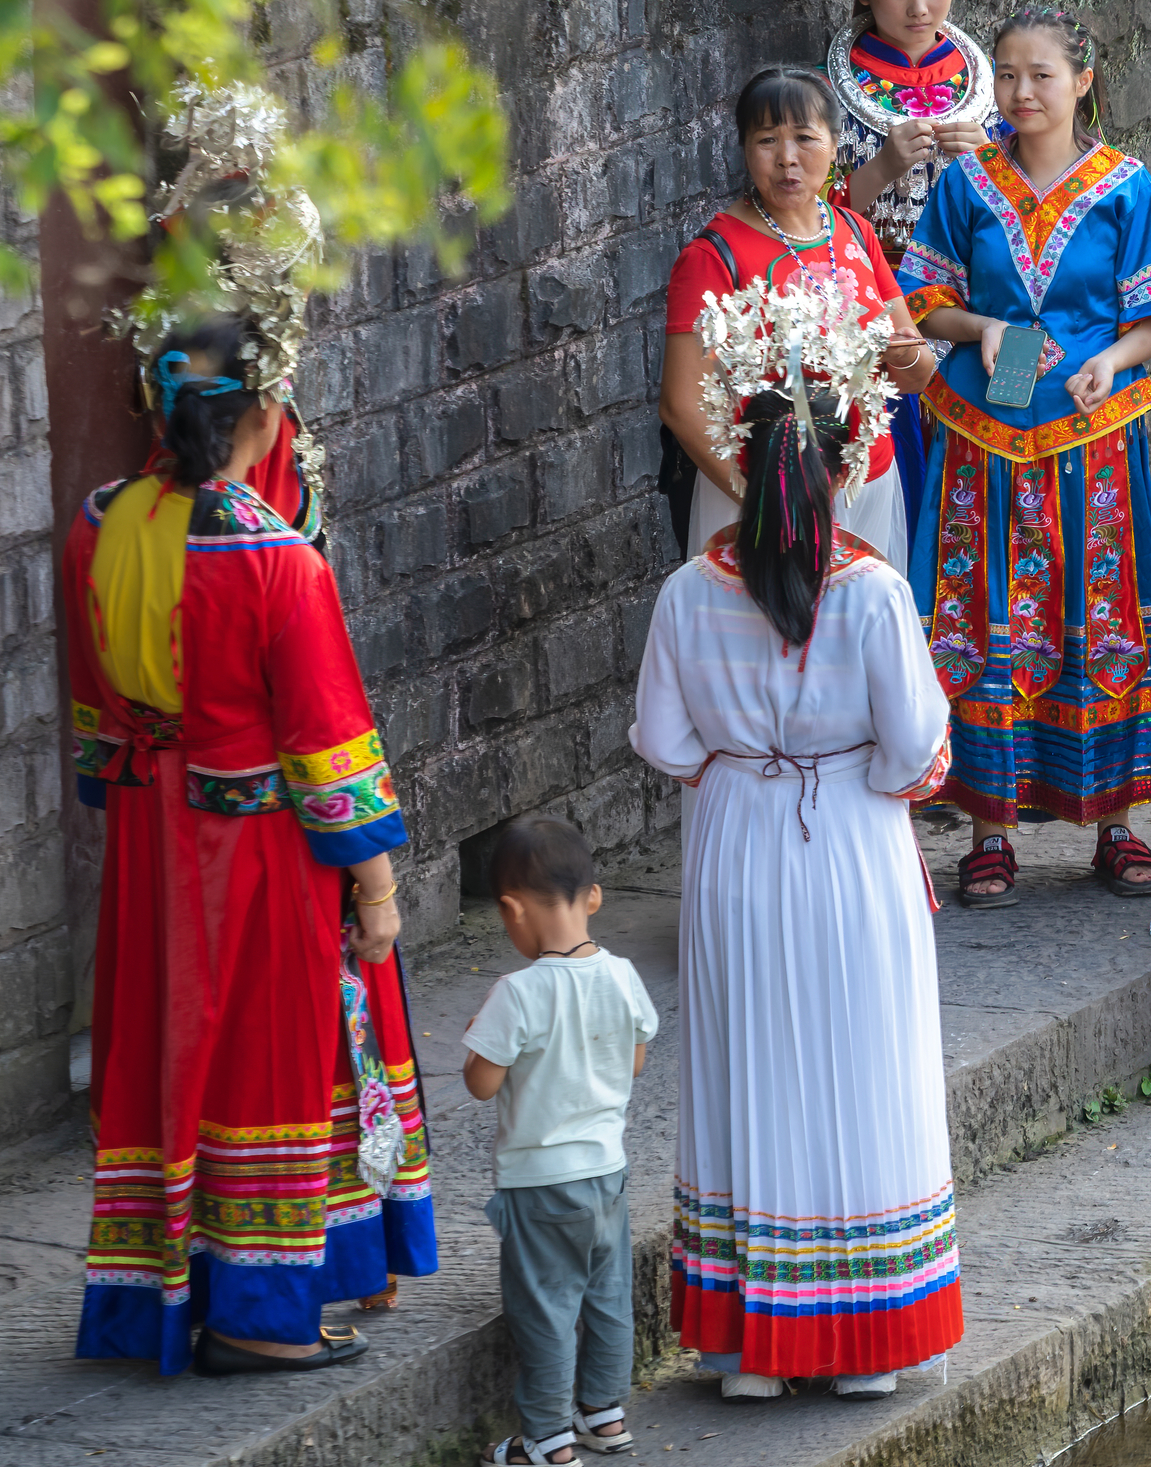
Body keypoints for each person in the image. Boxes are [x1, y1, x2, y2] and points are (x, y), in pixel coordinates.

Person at [65, 317, 436, 1377]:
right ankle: (257, 1312)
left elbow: (98, 709)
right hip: (257, 842)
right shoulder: (277, 558)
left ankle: (158, 1291)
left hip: (150, 830)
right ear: (267, 414)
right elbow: (328, 744)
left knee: (161, 1039)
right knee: (268, 1050)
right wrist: (374, 884)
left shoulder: (101, 524)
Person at [631, 309, 961, 1399]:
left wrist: (744, 763)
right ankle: (864, 1344)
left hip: (735, 842)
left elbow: (666, 742)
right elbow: (914, 750)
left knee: (747, 1069)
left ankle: (745, 1353)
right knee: (860, 1067)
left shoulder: (687, 594)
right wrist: (857, 766)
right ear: (842, 459)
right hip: (852, 848)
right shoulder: (871, 593)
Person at [902, 6, 1151, 907]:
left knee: (1098, 612)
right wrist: (984, 326)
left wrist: (1111, 359)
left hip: (1090, 442)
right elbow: (923, 297)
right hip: (985, 441)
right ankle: (991, 831)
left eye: (1040, 75)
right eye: (1006, 74)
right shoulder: (966, 185)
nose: (1021, 92)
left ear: (1083, 80)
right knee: (987, 609)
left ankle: (1116, 816)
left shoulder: (1125, 188)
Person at [817, 0, 1003, 532]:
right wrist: (888, 162)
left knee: (1005, 451)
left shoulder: (985, 75)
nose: (919, 6)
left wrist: (984, 161)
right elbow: (821, 214)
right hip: (884, 308)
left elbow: (1027, 195)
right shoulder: (833, 86)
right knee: (906, 480)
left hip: (984, 296)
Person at [659, 67, 938, 572]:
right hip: (760, 497)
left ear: (835, 145)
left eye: (805, 138)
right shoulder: (714, 256)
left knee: (858, 639)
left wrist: (904, 354)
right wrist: (771, 502)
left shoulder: (854, 231)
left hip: (866, 483)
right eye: (767, 139)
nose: (787, 157)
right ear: (745, 148)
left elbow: (917, 373)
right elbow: (682, 405)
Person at [462, 818, 658, 1466]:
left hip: (539, 1183)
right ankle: (605, 1412)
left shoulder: (516, 992)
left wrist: (482, 1042)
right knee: (607, 1297)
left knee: (544, 1309)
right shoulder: (623, 975)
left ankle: (546, 1436)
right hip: (608, 1172)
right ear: (593, 897)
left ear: (511, 910)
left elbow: (481, 1084)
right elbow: (633, 1062)